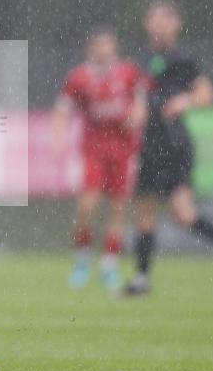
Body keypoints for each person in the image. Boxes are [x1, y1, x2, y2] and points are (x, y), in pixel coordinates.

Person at [124, 0, 213, 296]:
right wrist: (136, 114)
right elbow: (143, 99)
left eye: (165, 18)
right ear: (146, 22)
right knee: (161, 212)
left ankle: (144, 278)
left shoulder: (181, 58)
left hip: (173, 144)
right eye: (154, 17)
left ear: (176, 24)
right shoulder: (144, 60)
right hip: (151, 144)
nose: (158, 23)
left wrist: (186, 100)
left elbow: (207, 94)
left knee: (168, 211)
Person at [52, 28, 145, 292]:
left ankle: (109, 264)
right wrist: (57, 136)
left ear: (115, 47)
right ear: (91, 49)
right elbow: (62, 109)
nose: (104, 50)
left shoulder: (128, 72)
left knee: (117, 208)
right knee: (88, 206)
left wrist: (137, 116)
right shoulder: (80, 77)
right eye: (99, 46)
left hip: (123, 150)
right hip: (93, 150)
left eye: (108, 45)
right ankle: (82, 260)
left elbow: (140, 102)